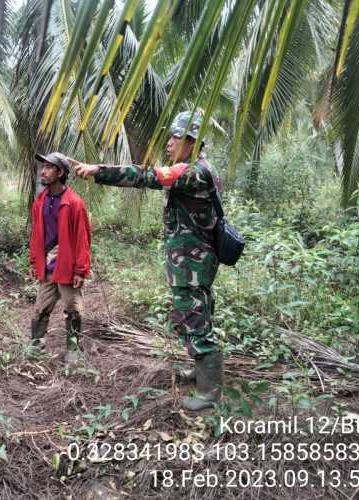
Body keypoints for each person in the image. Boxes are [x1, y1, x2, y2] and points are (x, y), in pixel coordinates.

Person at [71, 112, 223, 411]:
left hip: (192, 263)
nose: (168, 144)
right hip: (191, 260)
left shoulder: (194, 172)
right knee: (195, 314)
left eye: (175, 138)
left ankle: (209, 394)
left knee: (195, 318)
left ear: (192, 142)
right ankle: (199, 371)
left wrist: (98, 170)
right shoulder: (198, 169)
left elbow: (145, 175)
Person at [29, 152, 91, 366]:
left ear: (61, 172)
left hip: (66, 266)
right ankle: (35, 347)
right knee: (40, 309)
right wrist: (33, 261)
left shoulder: (74, 203)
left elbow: (83, 238)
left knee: (73, 309)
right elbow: (37, 234)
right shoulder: (41, 200)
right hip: (47, 265)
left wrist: (80, 270)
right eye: (43, 167)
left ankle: (73, 349)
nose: (43, 171)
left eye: (48, 167)